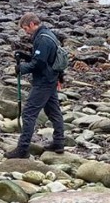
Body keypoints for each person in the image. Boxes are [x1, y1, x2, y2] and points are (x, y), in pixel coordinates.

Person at [5, 12, 66, 159]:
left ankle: (22, 148)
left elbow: (39, 63)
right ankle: (59, 142)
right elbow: (42, 58)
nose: (26, 32)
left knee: (28, 113)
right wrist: (23, 56)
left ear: (32, 24)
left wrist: (21, 68)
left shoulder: (43, 39)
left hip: (44, 81)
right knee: (53, 112)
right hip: (50, 79)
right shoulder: (48, 34)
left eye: (26, 28)